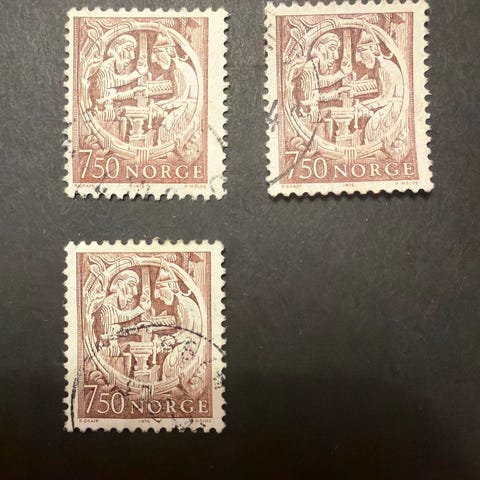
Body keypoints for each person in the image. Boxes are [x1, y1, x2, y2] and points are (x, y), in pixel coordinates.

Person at [355, 27, 408, 160]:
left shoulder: (385, 68)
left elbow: (385, 99)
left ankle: (380, 155)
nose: (358, 58)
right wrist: (363, 105)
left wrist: (364, 105)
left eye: (361, 51)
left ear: (373, 48)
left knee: (372, 126)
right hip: (392, 105)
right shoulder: (380, 68)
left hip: (396, 108)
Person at [152, 266, 204, 395]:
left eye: (160, 288)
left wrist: (172, 339)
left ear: (171, 286)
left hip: (191, 345)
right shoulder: (180, 303)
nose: (158, 295)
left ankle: (176, 392)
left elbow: (188, 332)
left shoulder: (183, 304)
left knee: (170, 365)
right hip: (188, 342)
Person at [149, 31, 199, 154]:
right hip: (185, 106)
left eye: (158, 52)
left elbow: (180, 100)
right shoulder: (178, 68)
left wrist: (159, 106)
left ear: (170, 50)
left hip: (188, 109)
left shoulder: (179, 69)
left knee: (164, 131)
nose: (154, 58)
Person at [94, 34, 148, 122]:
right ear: (116, 49)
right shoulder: (104, 69)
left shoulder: (111, 69)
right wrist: (137, 73)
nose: (132, 56)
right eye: (128, 49)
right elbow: (116, 80)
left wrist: (133, 92)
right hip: (101, 115)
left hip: (109, 115)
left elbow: (114, 96)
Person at [97, 269, 151, 356]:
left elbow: (122, 329)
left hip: (114, 351)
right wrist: (140, 309)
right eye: (131, 285)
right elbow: (117, 315)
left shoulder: (124, 306)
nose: (135, 292)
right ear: (120, 284)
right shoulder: (108, 305)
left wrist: (137, 327)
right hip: (106, 351)